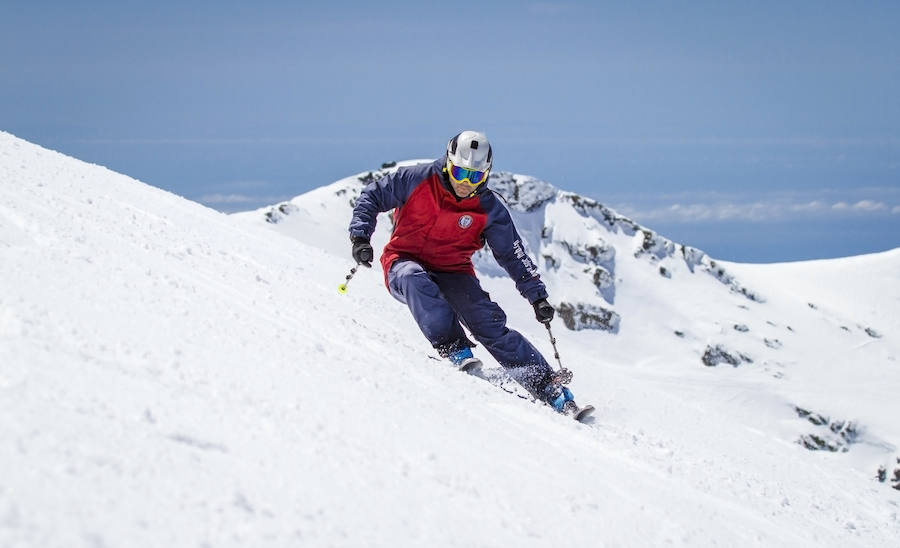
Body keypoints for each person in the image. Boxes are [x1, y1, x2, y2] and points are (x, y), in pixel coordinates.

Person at [348, 130, 577, 412]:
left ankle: (548, 387)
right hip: (403, 260)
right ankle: (454, 348)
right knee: (412, 277)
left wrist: (537, 297)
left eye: (475, 177)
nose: (465, 183)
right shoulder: (416, 179)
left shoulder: (489, 208)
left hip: (453, 271)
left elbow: (512, 254)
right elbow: (372, 195)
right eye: (460, 172)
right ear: (448, 162)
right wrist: (360, 237)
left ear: (486, 174)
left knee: (488, 322)